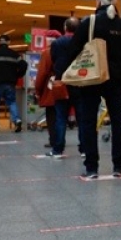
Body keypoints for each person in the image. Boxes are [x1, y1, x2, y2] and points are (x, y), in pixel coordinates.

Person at [64, 0, 121, 178]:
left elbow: (73, 51)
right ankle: (118, 166)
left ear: (98, 2)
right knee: (118, 122)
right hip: (117, 82)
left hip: (92, 79)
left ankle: (91, 168)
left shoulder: (89, 23)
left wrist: (67, 74)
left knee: (88, 121)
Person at [50, 17, 82, 158]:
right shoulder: (82, 42)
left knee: (60, 117)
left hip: (61, 82)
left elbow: (53, 59)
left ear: (65, 27)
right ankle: (84, 149)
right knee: (82, 118)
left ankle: (58, 149)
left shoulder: (57, 43)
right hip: (79, 82)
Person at [34, 29, 65, 154]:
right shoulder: (66, 50)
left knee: (52, 115)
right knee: (61, 115)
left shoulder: (47, 53)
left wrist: (37, 89)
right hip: (65, 85)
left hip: (51, 87)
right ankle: (61, 140)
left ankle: (54, 141)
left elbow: (42, 73)